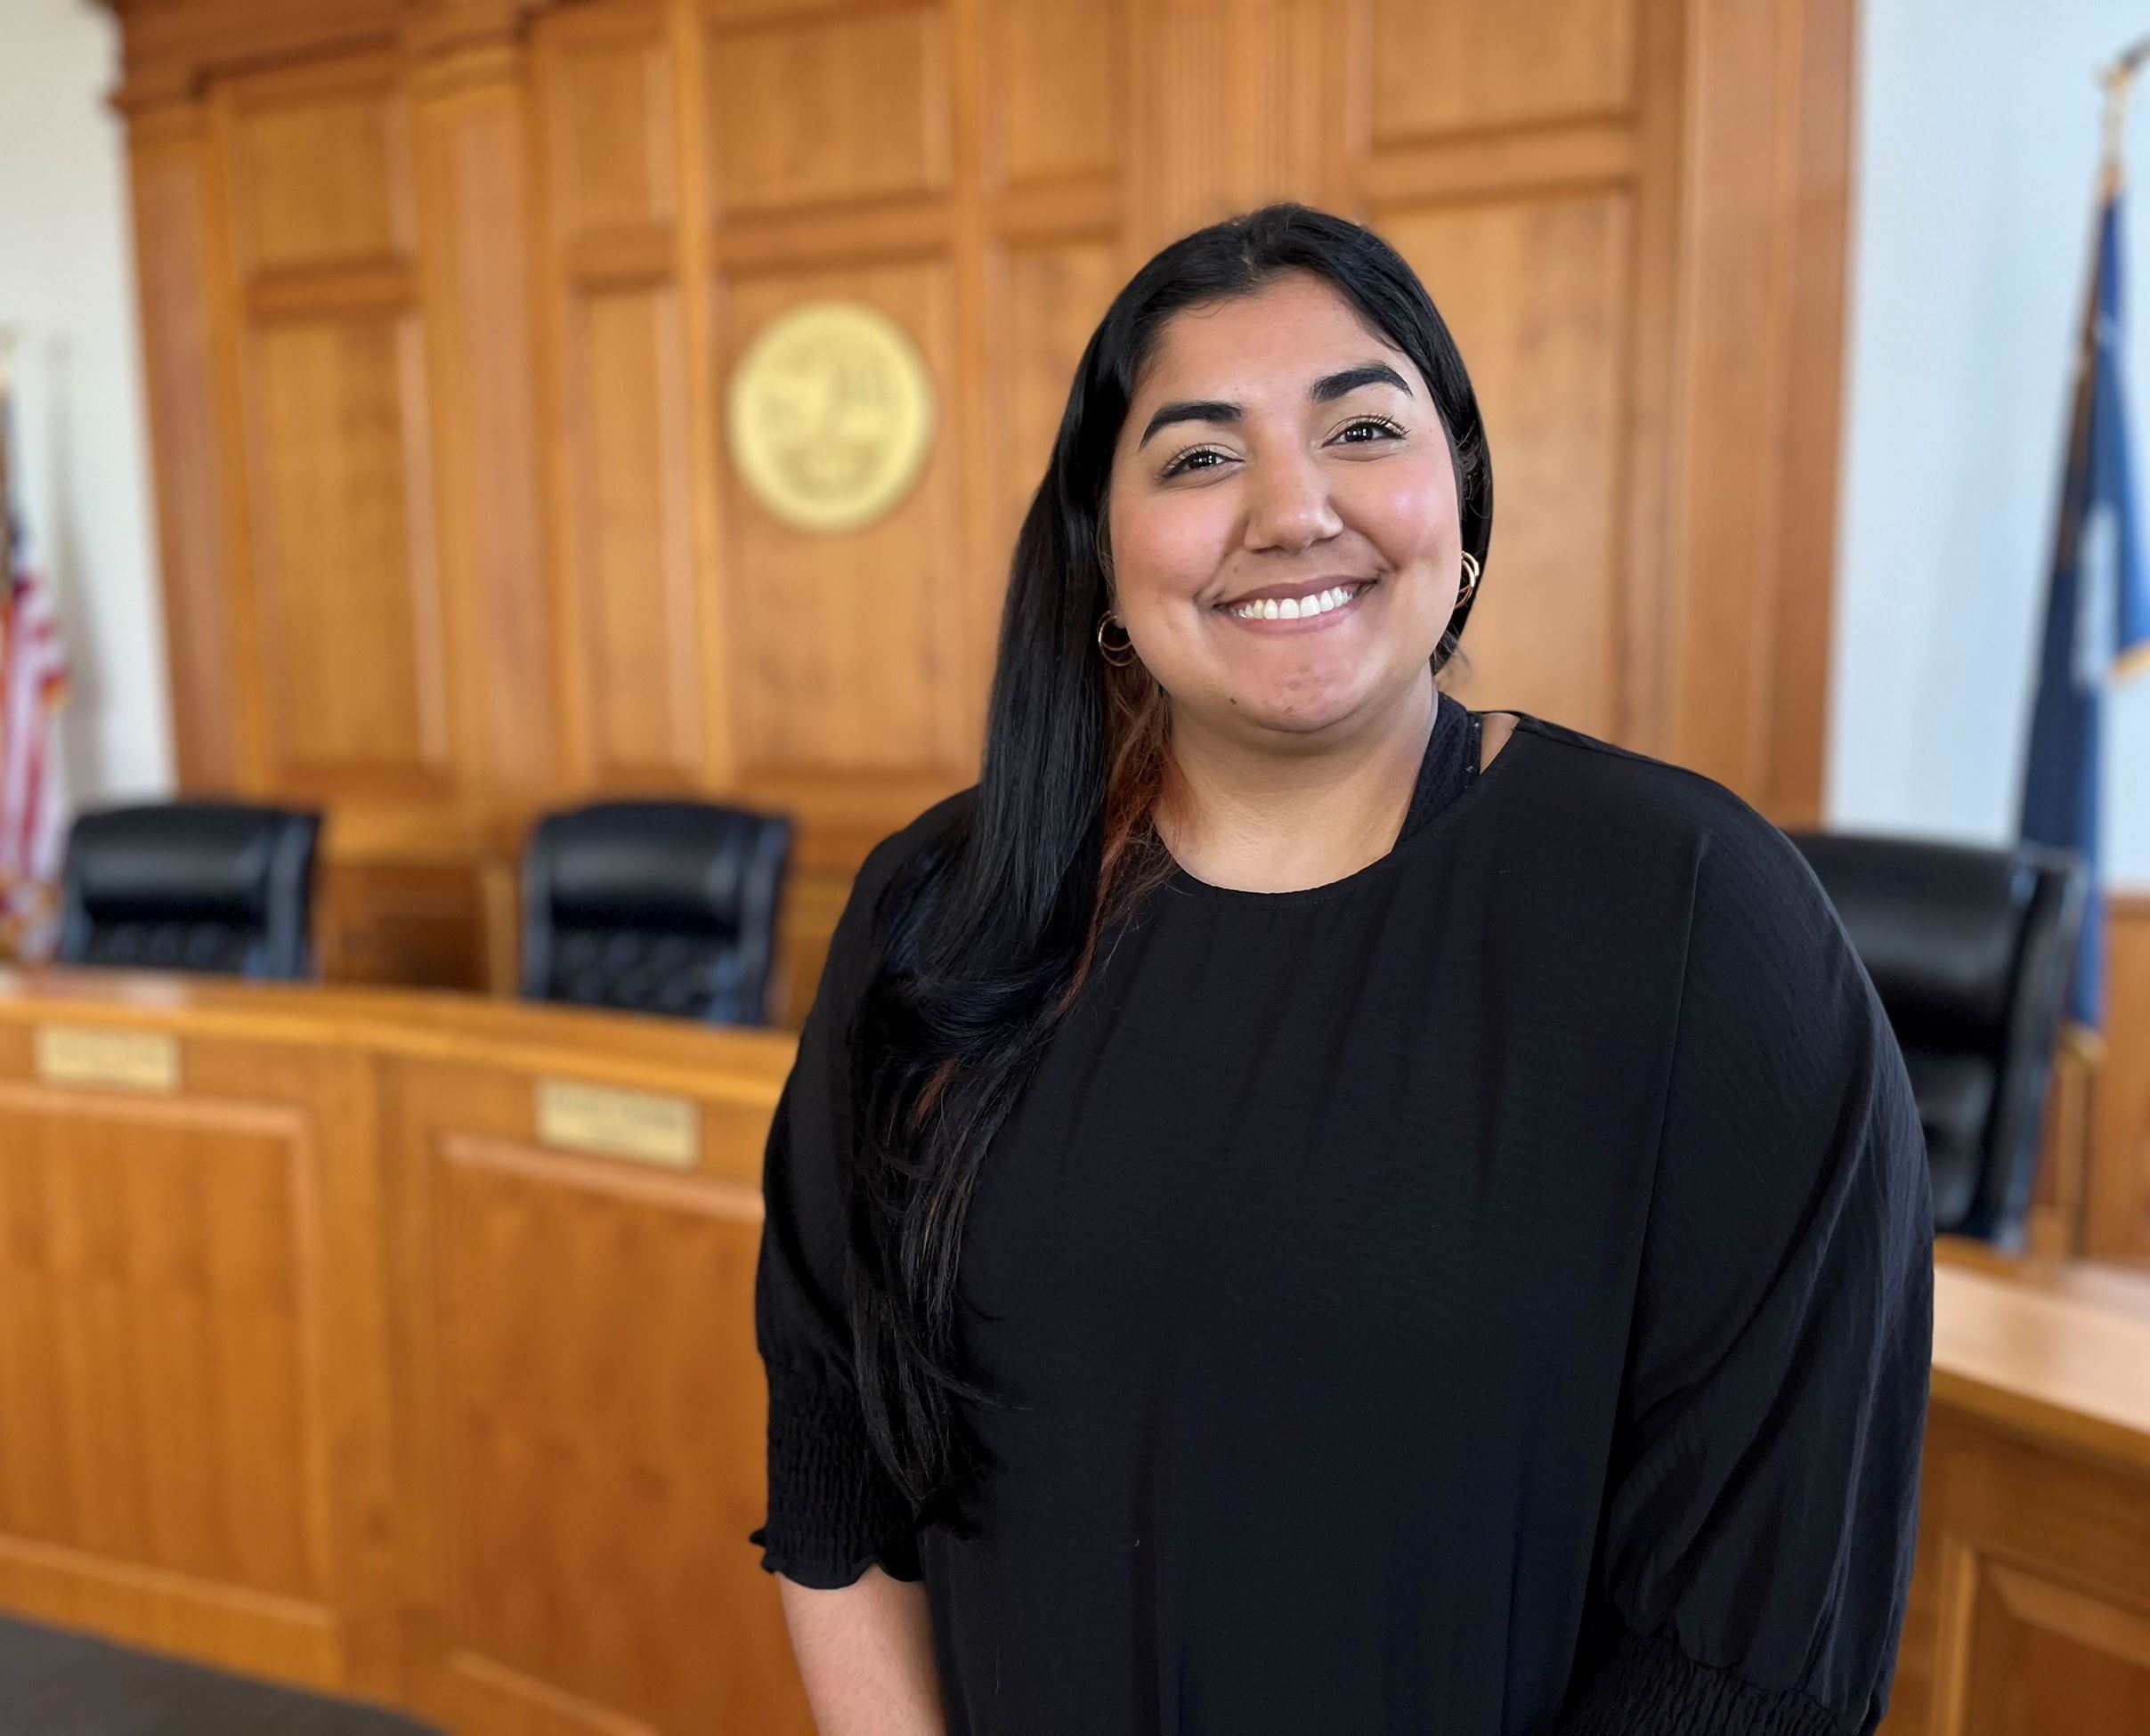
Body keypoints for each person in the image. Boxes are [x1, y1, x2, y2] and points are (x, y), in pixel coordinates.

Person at [749, 203, 1933, 1736]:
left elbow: (1755, 1647)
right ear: (1102, 564)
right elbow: (837, 1437)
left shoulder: (1699, 918)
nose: (1292, 509)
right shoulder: (939, 908)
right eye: (1196, 454)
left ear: (1464, 502)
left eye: (1362, 427)